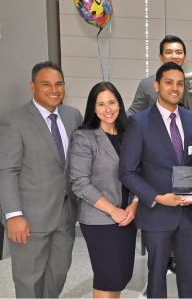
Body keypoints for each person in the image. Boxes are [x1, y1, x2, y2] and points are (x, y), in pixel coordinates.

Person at [0, 61, 83, 298]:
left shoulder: (73, 115)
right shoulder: (13, 121)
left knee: (58, 274)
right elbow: (6, 171)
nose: (54, 89)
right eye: (46, 84)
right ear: (33, 87)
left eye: (59, 84)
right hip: (29, 218)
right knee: (29, 281)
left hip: (65, 215)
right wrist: (14, 215)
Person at [118, 62, 192, 298]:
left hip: (189, 212)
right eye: (169, 83)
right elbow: (127, 172)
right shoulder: (139, 122)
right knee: (156, 276)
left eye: (180, 84)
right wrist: (157, 198)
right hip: (157, 212)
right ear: (157, 85)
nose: (175, 88)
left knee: (190, 275)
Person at [69, 82, 137, 298]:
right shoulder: (84, 137)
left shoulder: (130, 134)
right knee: (106, 278)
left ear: (119, 104)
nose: (108, 109)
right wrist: (113, 210)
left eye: (112, 102)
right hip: (100, 220)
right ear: (93, 108)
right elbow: (80, 183)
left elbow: (140, 173)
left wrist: (134, 205)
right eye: (101, 104)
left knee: (118, 278)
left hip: (128, 217)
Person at [127, 35, 187, 116]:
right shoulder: (147, 84)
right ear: (161, 57)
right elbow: (133, 112)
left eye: (178, 52)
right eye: (169, 52)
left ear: (185, 57)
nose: (174, 56)